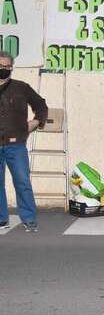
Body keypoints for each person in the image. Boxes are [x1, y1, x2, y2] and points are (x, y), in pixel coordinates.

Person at [0, 51, 48, 233]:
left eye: (7, 66)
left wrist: (37, 121)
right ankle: (1, 219)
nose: (4, 69)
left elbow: (41, 104)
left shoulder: (21, 87)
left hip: (16, 144)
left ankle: (29, 219)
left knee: (22, 181)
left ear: (12, 67)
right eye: (1, 66)